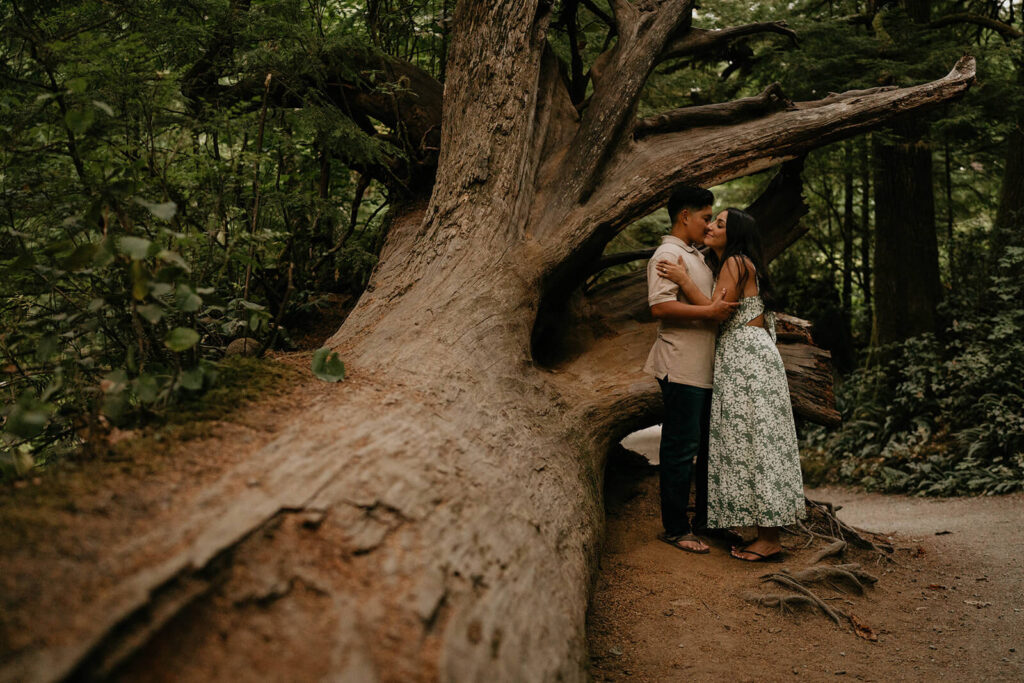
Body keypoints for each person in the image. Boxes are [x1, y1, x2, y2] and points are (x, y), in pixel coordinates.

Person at [656, 207, 806, 562]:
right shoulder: (735, 262)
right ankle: (764, 533)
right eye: (711, 220)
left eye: (719, 224)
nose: (710, 226)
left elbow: (715, 310)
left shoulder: (736, 262)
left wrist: (681, 277)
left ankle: (769, 539)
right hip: (747, 357)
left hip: (745, 359)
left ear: (733, 234)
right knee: (755, 440)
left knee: (757, 441)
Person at [644, 187, 739, 554]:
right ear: (685, 215)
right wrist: (709, 313)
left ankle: (705, 521)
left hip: (704, 368)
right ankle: (675, 527)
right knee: (680, 448)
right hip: (680, 364)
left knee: (706, 448)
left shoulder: (695, 255)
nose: (708, 224)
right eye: (704, 217)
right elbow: (660, 307)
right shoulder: (668, 254)